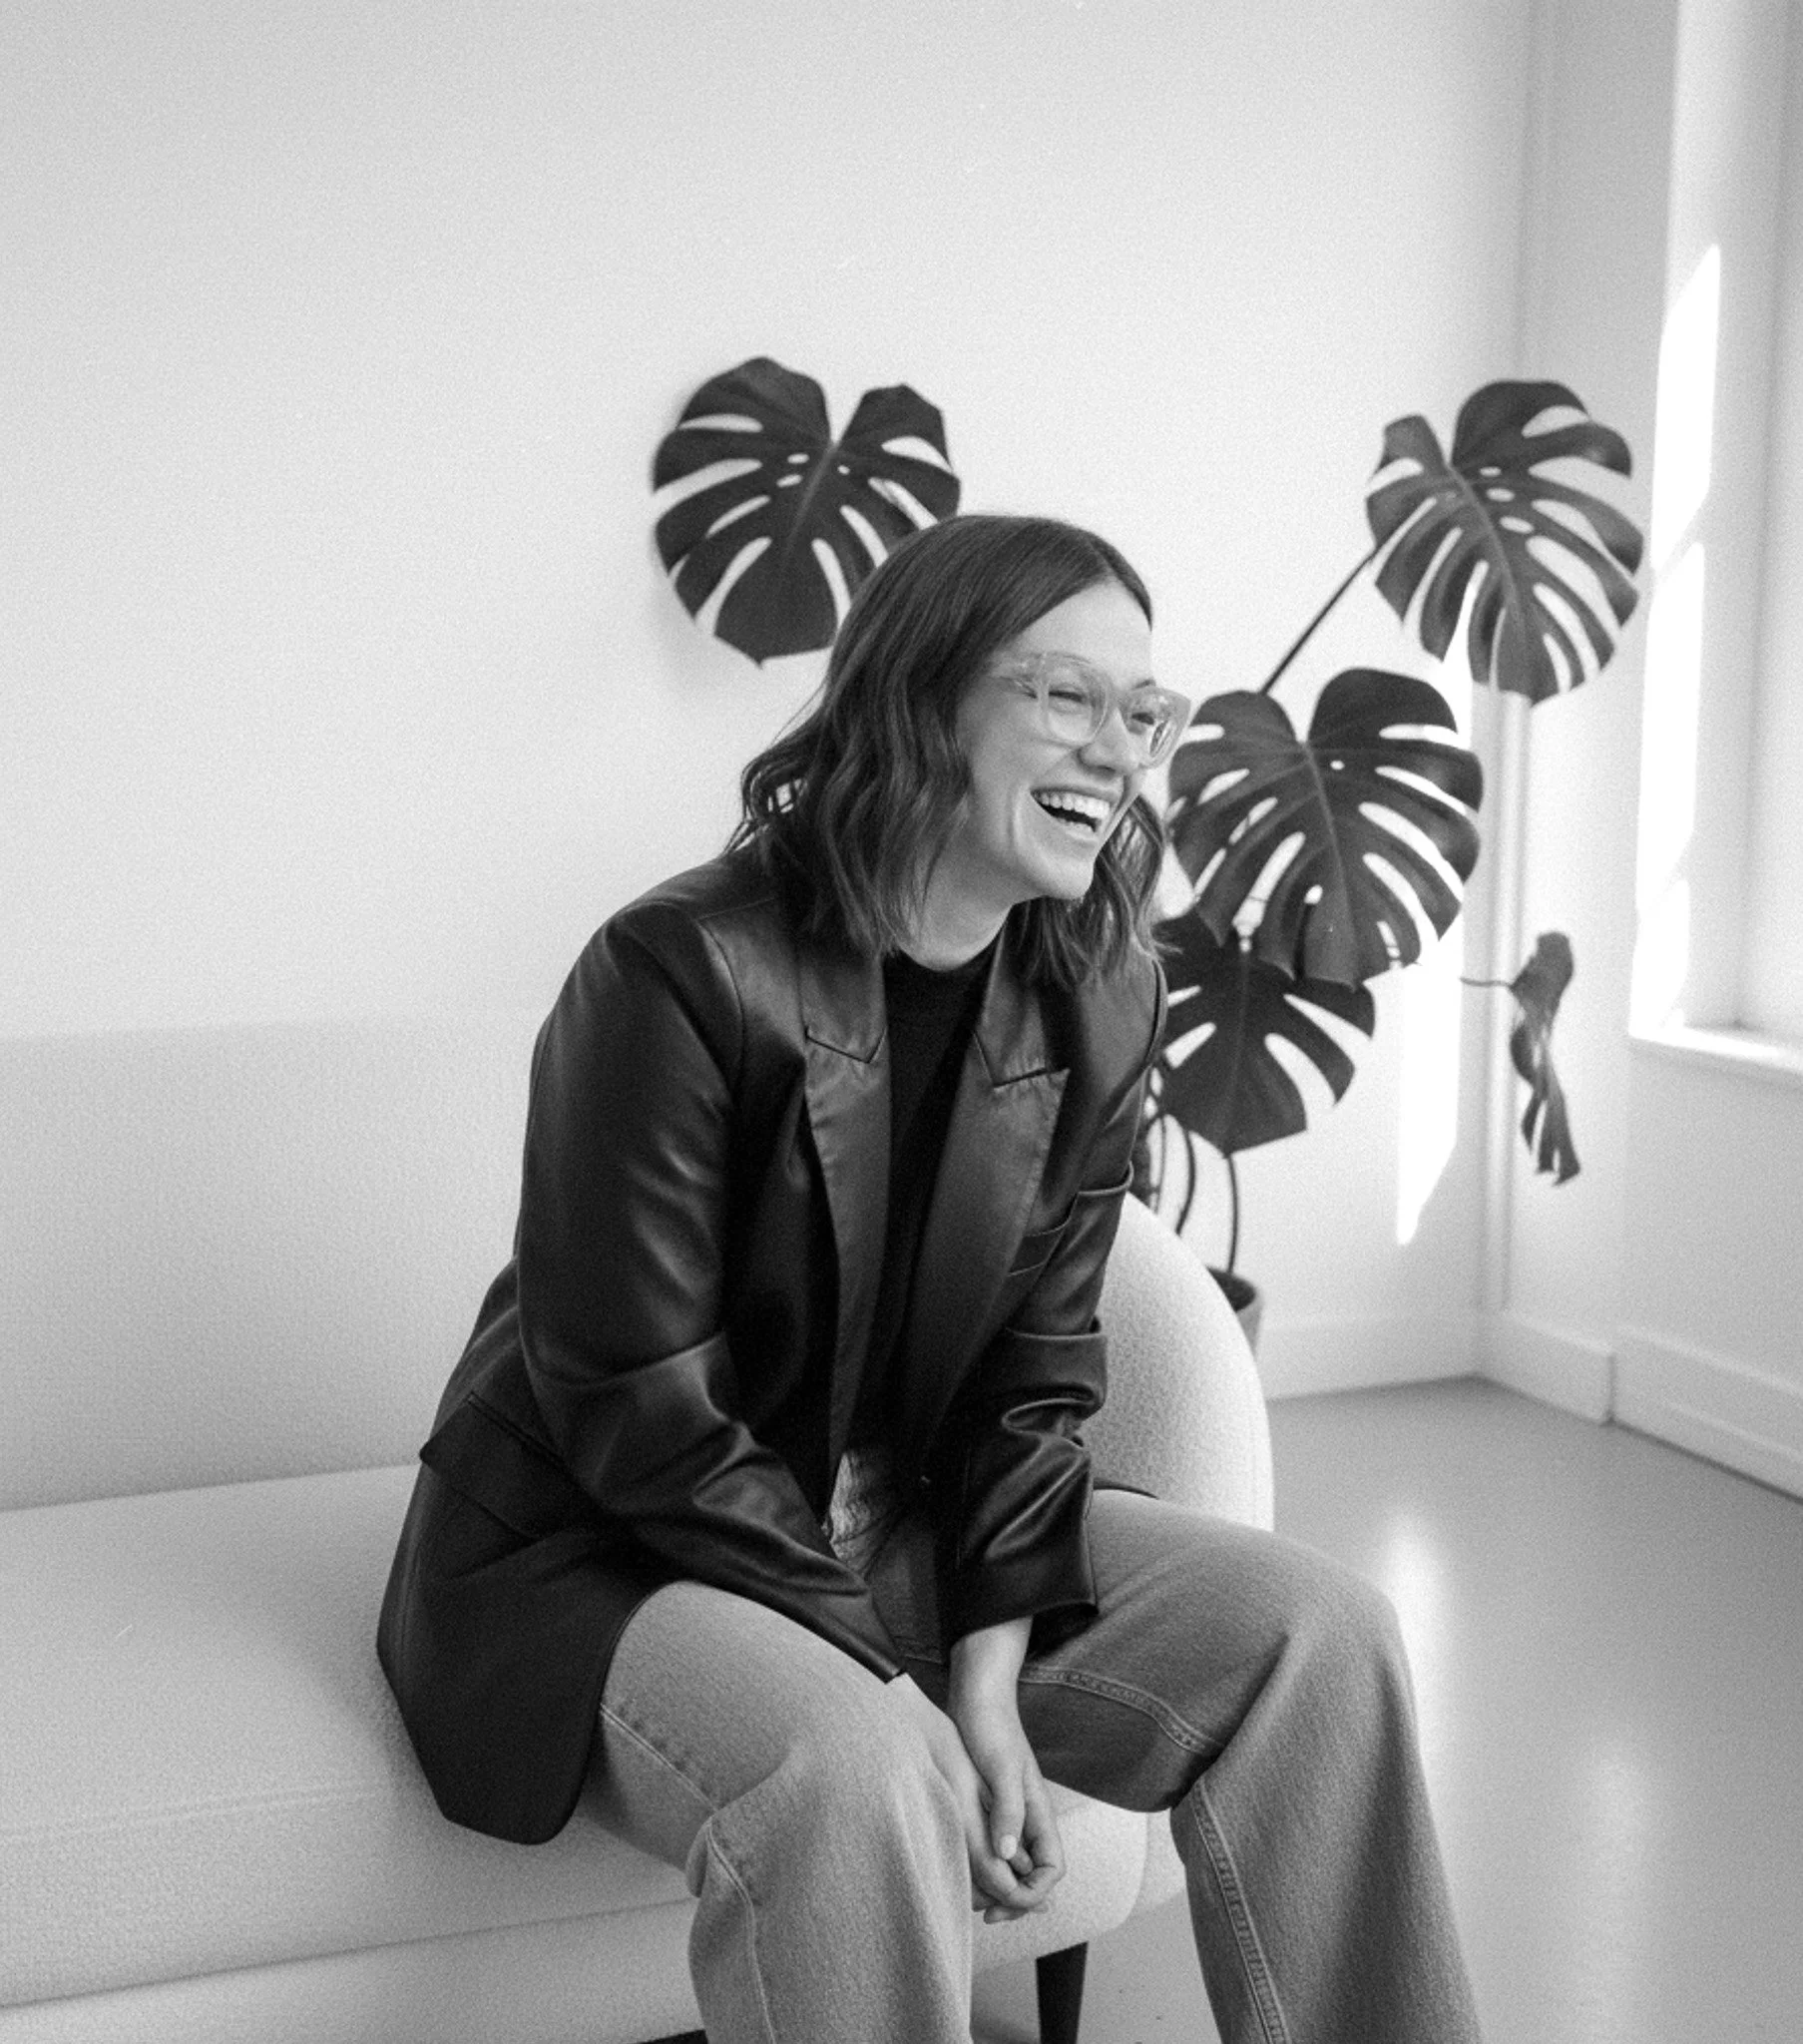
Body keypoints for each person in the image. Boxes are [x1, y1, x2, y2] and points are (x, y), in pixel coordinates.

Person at [377, 513, 1484, 2044]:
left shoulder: (1099, 984)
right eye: (1063, 697)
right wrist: (892, 1698)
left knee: (1321, 1636)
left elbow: (1036, 1375)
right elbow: (636, 1408)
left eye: (1140, 711)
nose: (1117, 750)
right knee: (856, 1765)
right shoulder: (677, 971)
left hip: (899, 1527)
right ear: (921, 696)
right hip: (613, 1550)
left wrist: (980, 1676)